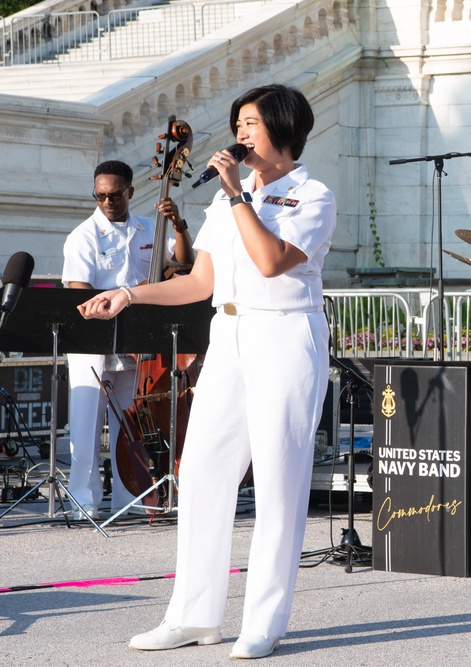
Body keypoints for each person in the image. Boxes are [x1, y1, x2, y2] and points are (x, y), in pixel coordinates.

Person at [78, 83, 336, 659]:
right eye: (238, 124)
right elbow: (199, 282)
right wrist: (128, 293)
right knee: (199, 473)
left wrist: (240, 196)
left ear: (283, 129)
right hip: (229, 335)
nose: (240, 134)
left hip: (286, 334)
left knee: (276, 481)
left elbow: (271, 263)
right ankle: (193, 614)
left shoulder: (312, 196)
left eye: (251, 124)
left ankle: (264, 622)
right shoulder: (226, 201)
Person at [61, 160, 193, 520]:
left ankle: (128, 496)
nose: (107, 202)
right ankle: (83, 501)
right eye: (100, 195)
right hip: (94, 339)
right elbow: (79, 290)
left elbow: (182, 264)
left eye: (115, 195)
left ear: (130, 193)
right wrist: (128, 293)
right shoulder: (83, 236)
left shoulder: (150, 227)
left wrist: (179, 225)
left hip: (136, 340)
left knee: (129, 423)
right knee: (87, 422)